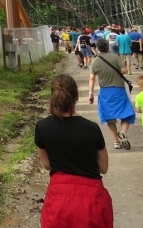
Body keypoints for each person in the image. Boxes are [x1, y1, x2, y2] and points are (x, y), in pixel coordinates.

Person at [35, 74, 112, 227]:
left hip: (59, 201)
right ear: (77, 97)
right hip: (91, 202)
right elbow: (103, 168)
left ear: (53, 96)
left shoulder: (42, 127)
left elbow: (47, 165)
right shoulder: (91, 128)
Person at [88, 39, 135, 150]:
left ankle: (116, 142)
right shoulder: (115, 57)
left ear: (98, 48)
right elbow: (124, 71)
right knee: (126, 113)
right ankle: (123, 132)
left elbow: (92, 78)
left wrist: (90, 93)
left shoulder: (95, 61)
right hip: (119, 90)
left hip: (105, 92)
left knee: (109, 118)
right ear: (107, 46)